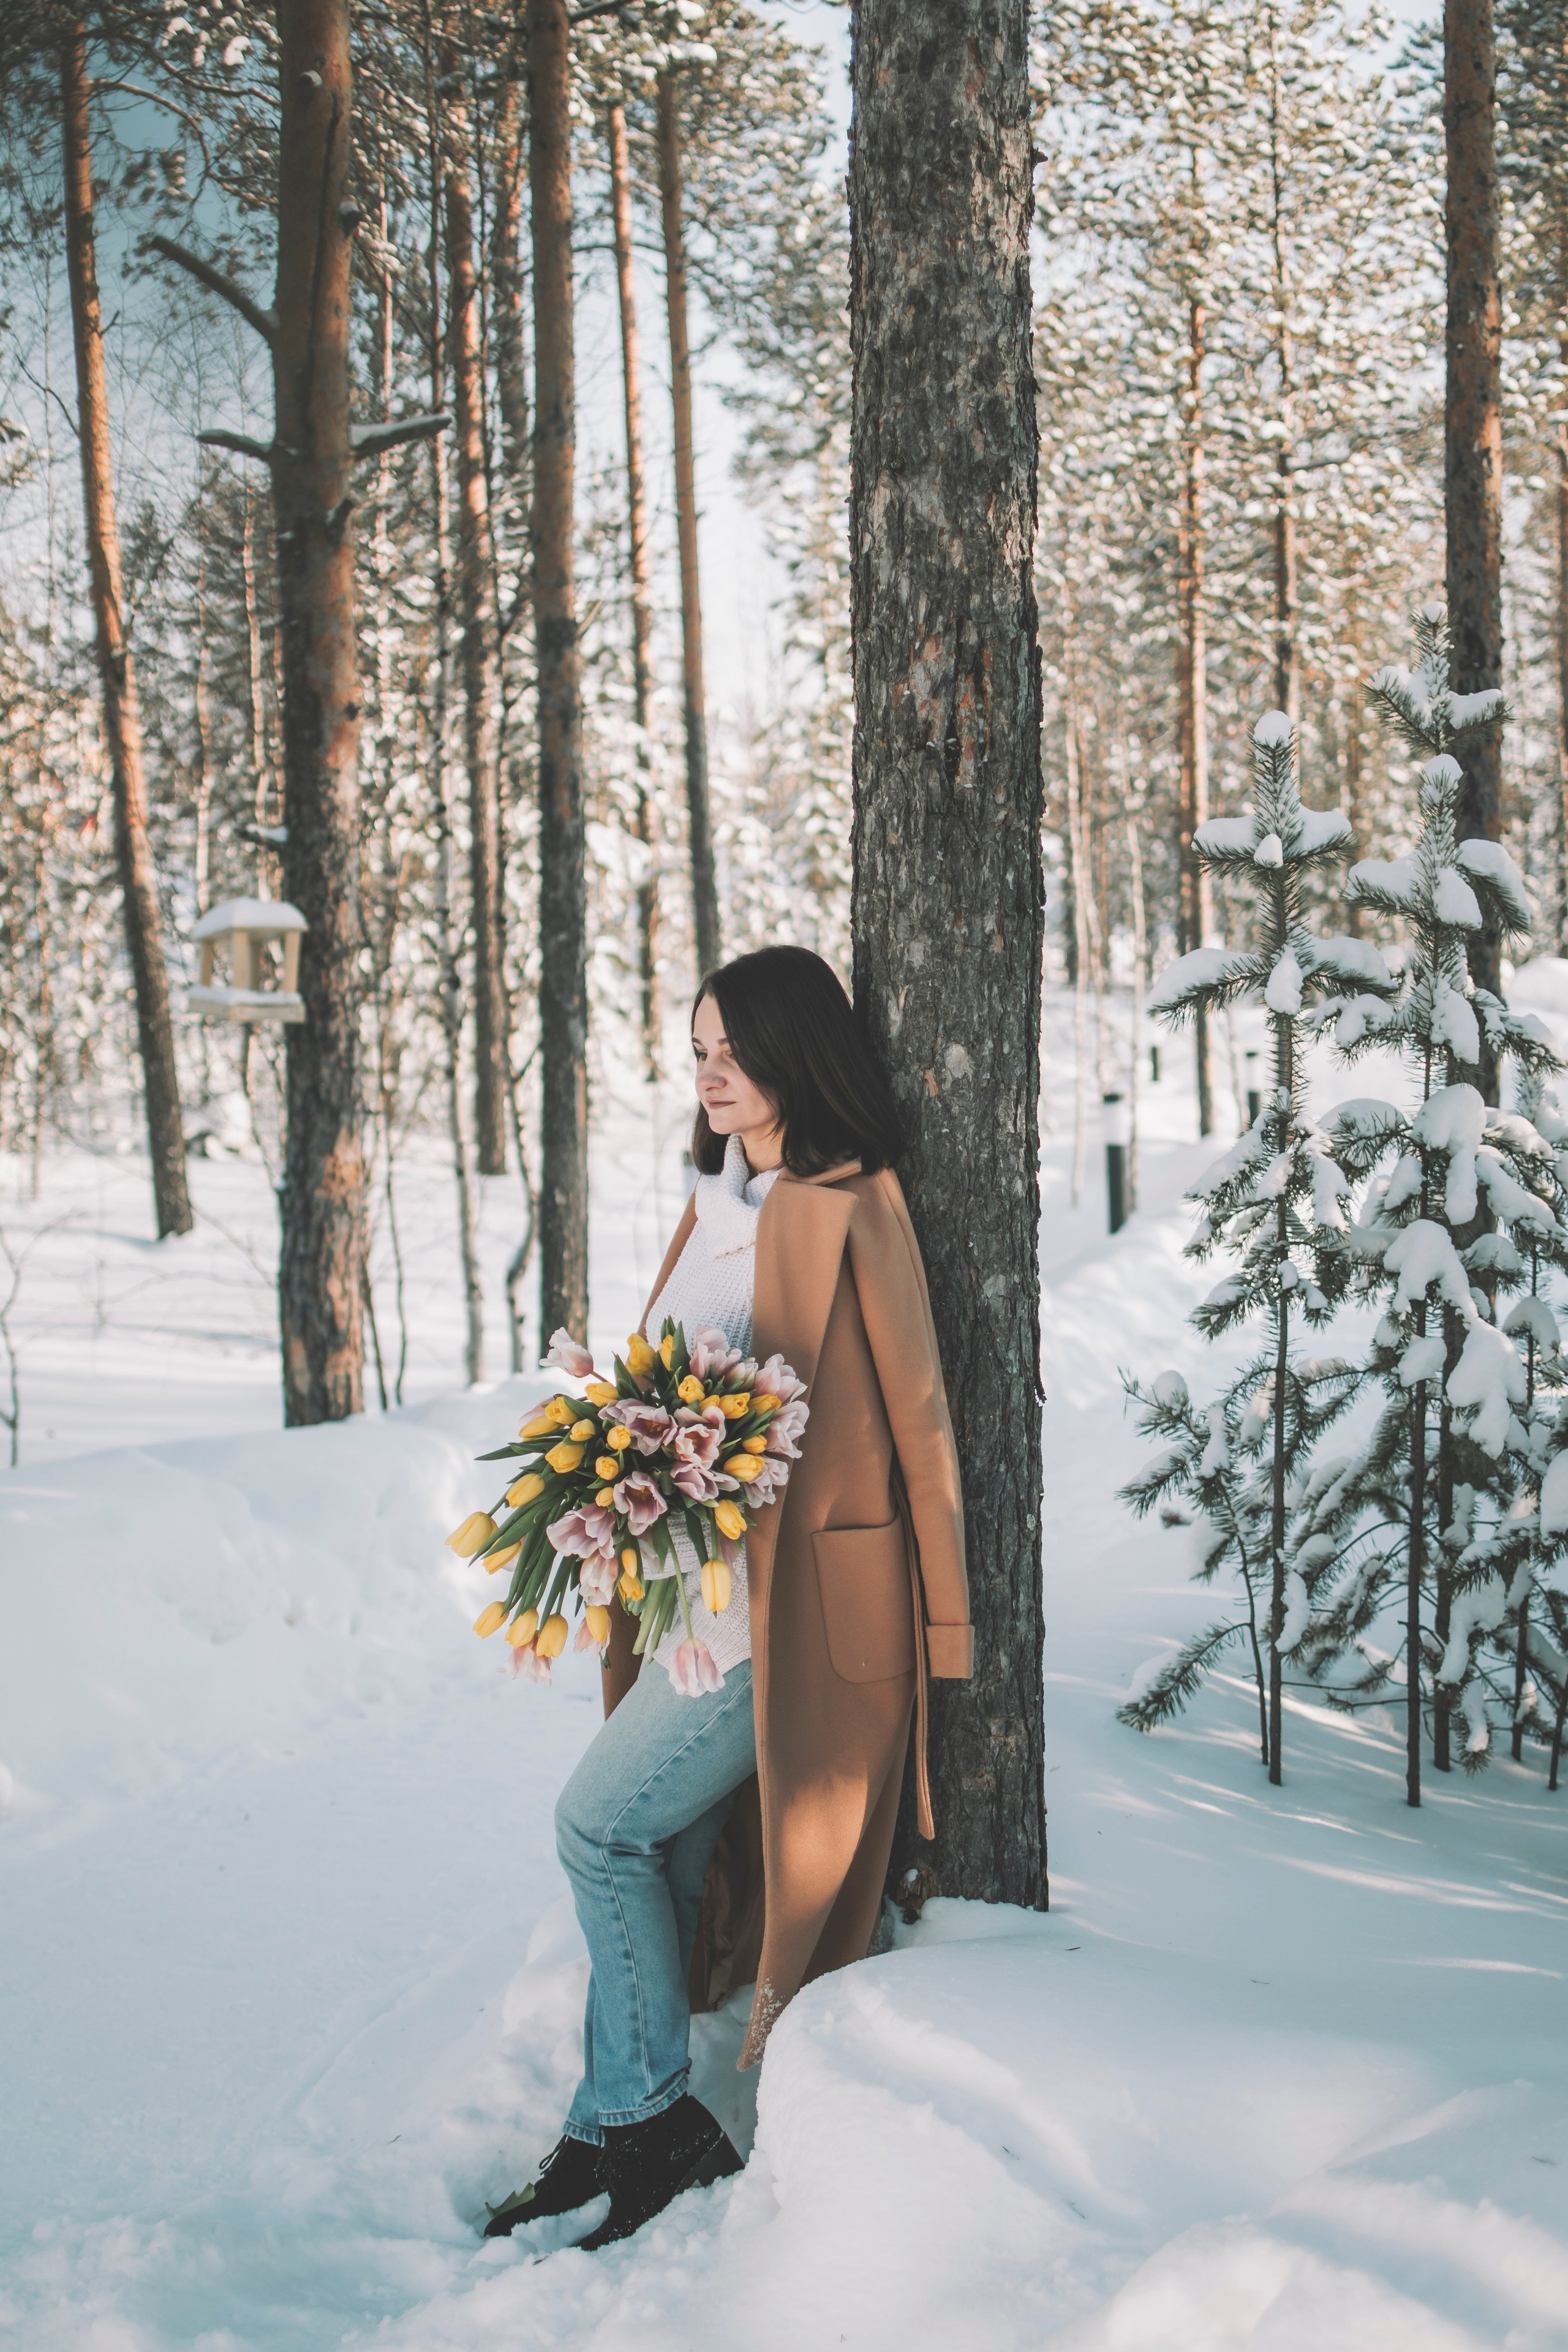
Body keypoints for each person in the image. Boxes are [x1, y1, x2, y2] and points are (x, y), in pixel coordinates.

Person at [483, 945, 973, 2250]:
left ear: (791, 1057)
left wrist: (943, 1626)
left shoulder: (843, 1201)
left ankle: (655, 2119)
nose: (708, 1074)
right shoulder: (716, 1202)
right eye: (696, 1049)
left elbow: (917, 1419)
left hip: (788, 1621)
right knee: (659, 1849)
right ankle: (608, 2124)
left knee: (596, 1829)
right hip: (686, 1611)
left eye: (732, 1052)